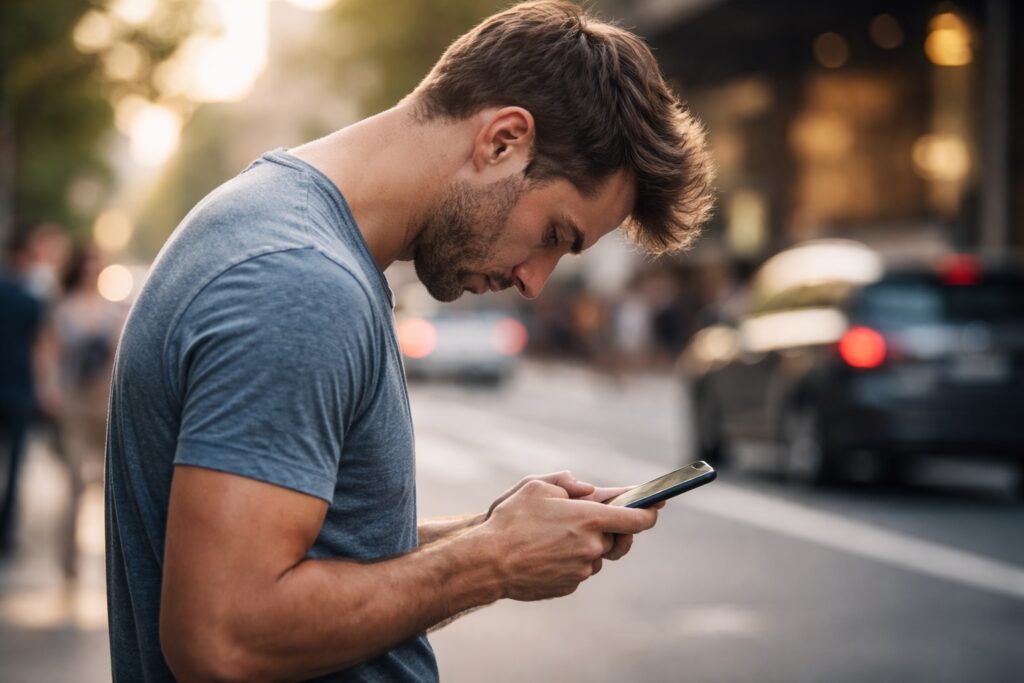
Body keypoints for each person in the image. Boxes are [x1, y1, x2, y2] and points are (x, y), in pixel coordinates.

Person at [105, 1, 716, 681]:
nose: (534, 282)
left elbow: (317, 556)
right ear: (503, 141)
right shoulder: (299, 282)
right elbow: (224, 635)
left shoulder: (277, 226)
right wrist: (491, 561)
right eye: (554, 235)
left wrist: (490, 531)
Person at [53, 245, 126, 579]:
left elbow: (118, 355)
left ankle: (113, 559)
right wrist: (49, 388)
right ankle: (68, 557)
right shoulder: (63, 307)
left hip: (103, 402)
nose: (91, 271)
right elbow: (49, 350)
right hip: (73, 401)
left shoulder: (112, 310)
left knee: (110, 480)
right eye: (87, 264)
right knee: (74, 481)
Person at [0, 225, 47, 556]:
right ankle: (5, 532)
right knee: (15, 466)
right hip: (19, 389)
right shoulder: (32, 300)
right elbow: (40, 350)